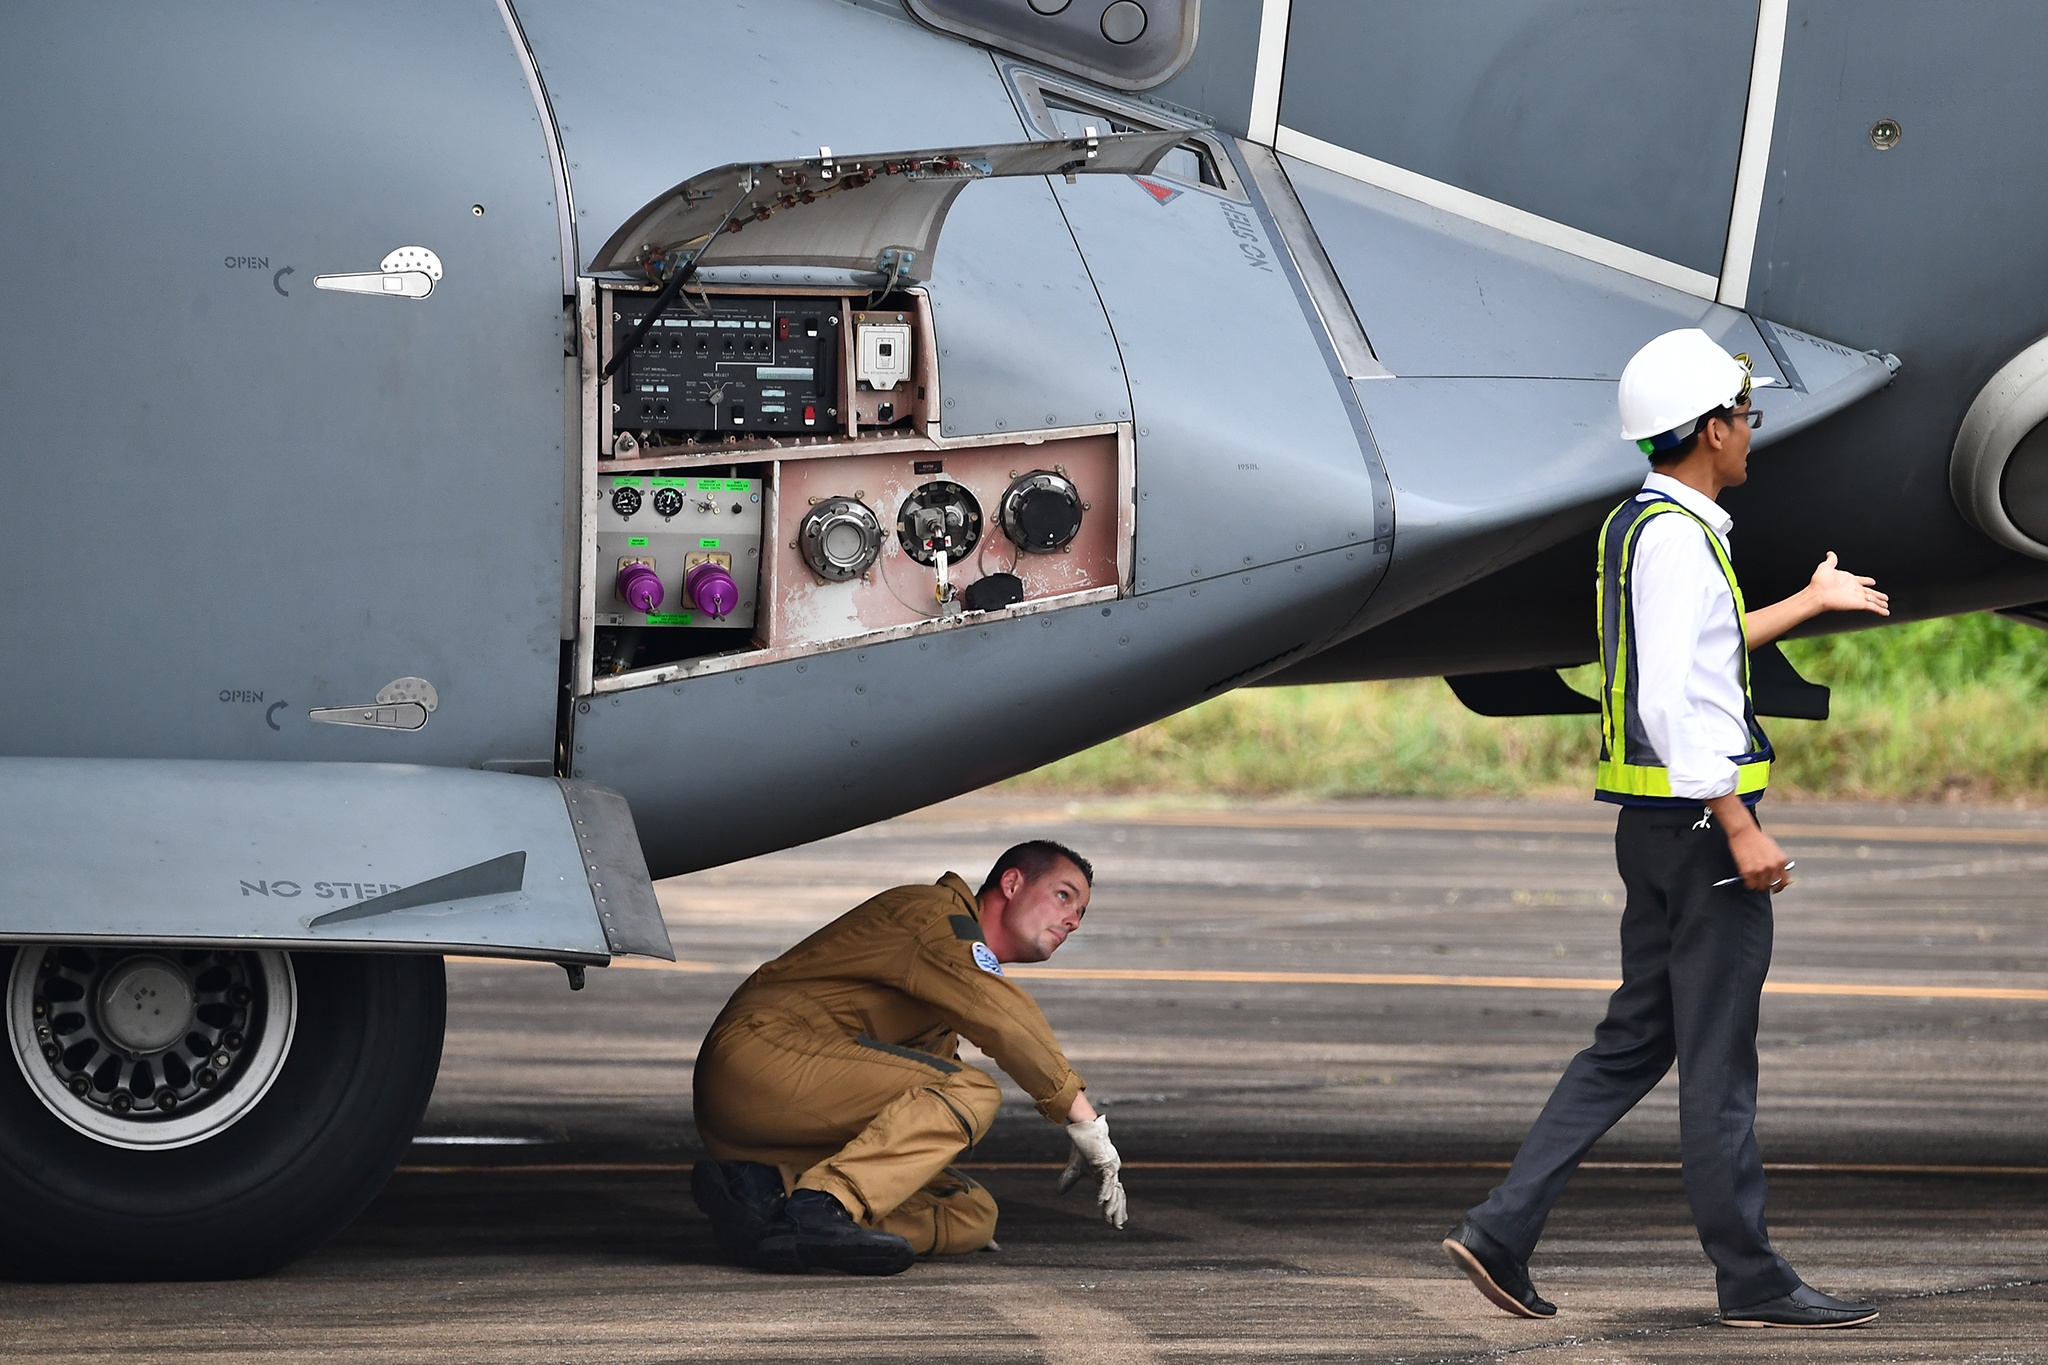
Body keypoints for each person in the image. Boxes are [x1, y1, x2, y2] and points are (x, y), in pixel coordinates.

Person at [1443, 329, 1892, 1329]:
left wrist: (1807, 601)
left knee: (1630, 1043)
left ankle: (1500, 1231)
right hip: (1697, 835)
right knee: (1717, 1062)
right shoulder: (1676, 539)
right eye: (1741, 417)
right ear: (1703, 431)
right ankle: (1751, 1276)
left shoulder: (1645, 528)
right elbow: (1670, 702)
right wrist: (1736, 824)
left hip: (1655, 828)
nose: (1747, 435)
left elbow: (1697, 653)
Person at [689, 839, 1126, 1275]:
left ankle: (766, 1201)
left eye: (1080, 913)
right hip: (759, 1058)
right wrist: (1085, 1122)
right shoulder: (934, 917)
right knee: (970, 1090)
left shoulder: (943, 994)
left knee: (970, 1212)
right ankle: (821, 1208)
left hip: (779, 1122)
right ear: (1012, 883)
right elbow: (1004, 1018)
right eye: (1063, 896)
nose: (1072, 921)